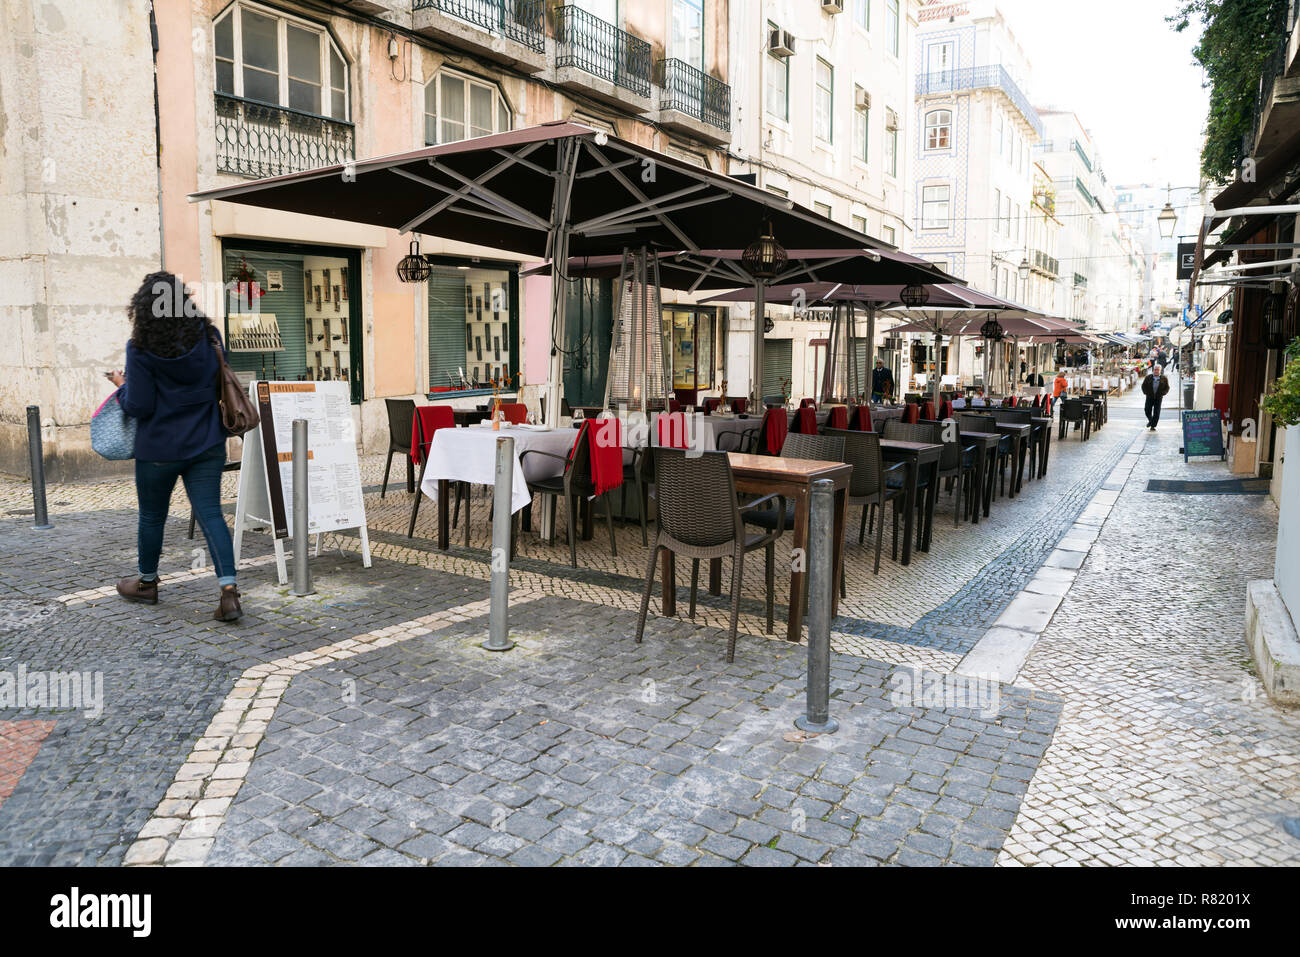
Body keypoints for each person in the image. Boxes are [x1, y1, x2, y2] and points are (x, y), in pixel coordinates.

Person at [107, 272, 242, 621]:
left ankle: (147, 584)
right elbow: (217, 383)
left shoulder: (139, 348)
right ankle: (229, 591)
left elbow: (139, 406)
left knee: (153, 516)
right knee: (211, 513)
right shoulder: (209, 336)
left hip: (158, 449)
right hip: (207, 442)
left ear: (143, 308)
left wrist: (122, 385)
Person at [1142, 364, 1170, 431]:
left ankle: (1153, 426)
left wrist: (1163, 393)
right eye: (1155, 369)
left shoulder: (1164, 378)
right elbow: (1143, 386)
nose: (1156, 371)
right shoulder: (1148, 377)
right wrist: (1146, 393)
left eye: (1158, 370)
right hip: (1149, 397)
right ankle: (1151, 421)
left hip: (1158, 397)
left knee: (1156, 412)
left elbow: (1167, 387)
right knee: (1147, 410)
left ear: (1160, 370)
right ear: (1153, 370)